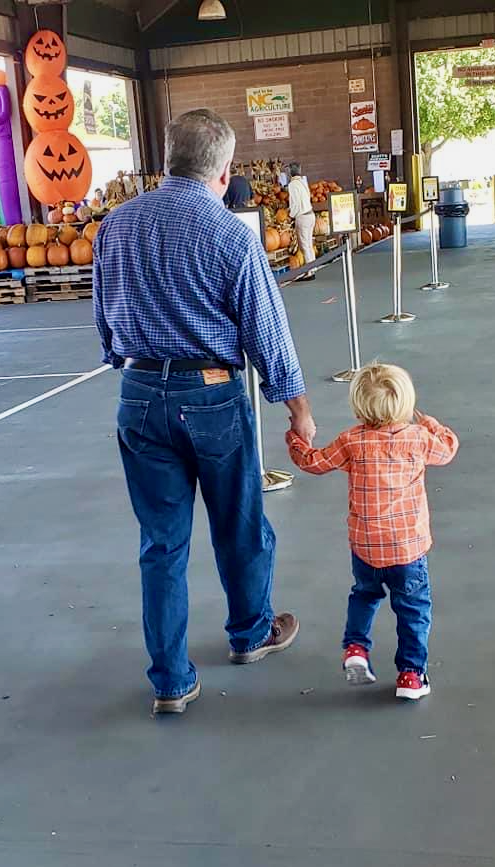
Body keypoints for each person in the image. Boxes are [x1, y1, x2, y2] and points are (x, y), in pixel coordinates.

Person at [93, 109, 316, 716]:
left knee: (160, 543)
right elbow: (266, 332)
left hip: (138, 395)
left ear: (168, 160)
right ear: (223, 171)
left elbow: (106, 326)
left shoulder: (114, 227)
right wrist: (297, 407)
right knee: (238, 524)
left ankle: (170, 680)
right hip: (211, 396)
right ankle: (249, 633)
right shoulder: (231, 233)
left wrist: (131, 362)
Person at [286, 363, 458, 701]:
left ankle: (355, 648)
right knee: (413, 609)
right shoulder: (419, 438)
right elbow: (448, 448)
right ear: (406, 402)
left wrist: (296, 440)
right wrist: (432, 424)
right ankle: (411, 674)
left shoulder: (352, 440)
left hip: (365, 545)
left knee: (364, 595)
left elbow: (314, 463)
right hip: (407, 549)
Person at [287, 162, 316, 281]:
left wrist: (290, 215)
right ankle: (313, 268)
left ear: (290, 172)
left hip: (302, 217)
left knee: (304, 246)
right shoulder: (303, 182)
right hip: (310, 214)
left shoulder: (292, 184)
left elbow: (294, 203)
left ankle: (310, 272)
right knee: (309, 244)